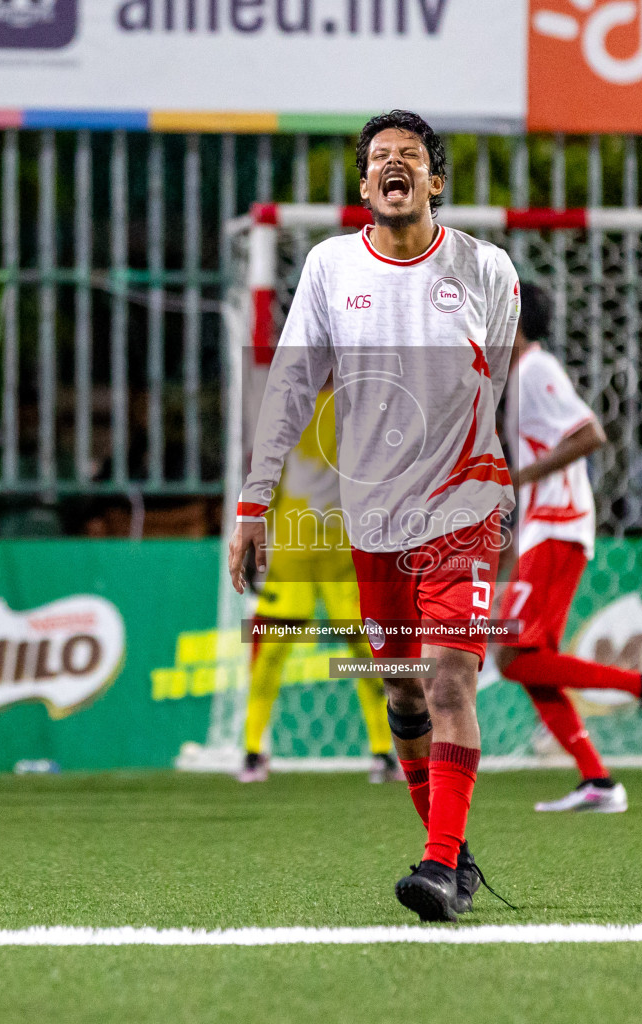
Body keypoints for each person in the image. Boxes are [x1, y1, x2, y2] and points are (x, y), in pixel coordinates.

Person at [229, 110, 515, 922]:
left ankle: (433, 868)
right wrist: (254, 504)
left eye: (411, 157)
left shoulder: (486, 268)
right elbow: (289, 391)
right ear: (364, 186)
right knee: (402, 691)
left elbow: (489, 384)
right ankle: (453, 856)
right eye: (380, 158)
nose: (395, 165)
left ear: (435, 181)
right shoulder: (327, 268)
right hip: (374, 521)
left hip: (463, 505)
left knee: (451, 677)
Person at [495, 281, 642, 814]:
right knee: (530, 661)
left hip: (560, 526)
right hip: (543, 529)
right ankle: (597, 780)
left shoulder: (537, 370)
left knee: (513, 658)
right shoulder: (520, 375)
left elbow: (589, 434)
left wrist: (519, 476)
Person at [238, 387, 402, 785]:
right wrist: (251, 529)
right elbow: (267, 474)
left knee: (369, 654)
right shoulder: (284, 408)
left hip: (343, 554)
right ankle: (252, 751)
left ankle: (384, 753)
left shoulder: (361, 404)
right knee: (269, 654)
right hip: (293, 553)